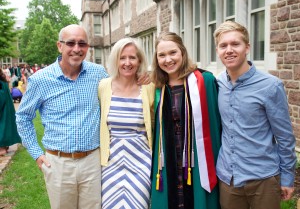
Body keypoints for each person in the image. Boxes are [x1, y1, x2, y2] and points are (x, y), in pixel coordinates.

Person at [16, 24, 108, 209]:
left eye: (82, 44)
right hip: (58, 163)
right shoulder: (41, 79)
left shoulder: (98, 73)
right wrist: (36, 154)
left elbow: (119, 91)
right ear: (60, 46)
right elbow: (23, 117)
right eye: (70, 43)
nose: (76, 49)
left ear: (87, 48)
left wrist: (141, 79)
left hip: (92, 161)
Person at [214, 21, 296, 209]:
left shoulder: (270, 86)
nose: (229, 50)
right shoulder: (217, 84)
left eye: (235, 44)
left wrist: (287, 177)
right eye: (223, 45)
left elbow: (284, 136)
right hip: (229, 179)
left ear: (247, 47)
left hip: (263, 179)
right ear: (217, 50)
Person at [150, 31, 222, 209]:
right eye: (162, 55)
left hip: (196, 163)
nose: (168, 59)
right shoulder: (156, 88)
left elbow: (217, 124)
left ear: (182, 52)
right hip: (167, 161)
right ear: (156, 59)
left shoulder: (204, 81)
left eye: (173, 52)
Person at [98, 38, 154, 208]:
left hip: (141, 161)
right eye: (122, 58)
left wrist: (152, 75)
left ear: (140, 61)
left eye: (132, 58)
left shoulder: (150, 86)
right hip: (111, 162)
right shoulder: (103, 86)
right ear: (116, 60)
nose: (127, 63)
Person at [0, 68, 21, 156]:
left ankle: (2, 148)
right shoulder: (3, 80)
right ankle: (4, 146)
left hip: (3, 108)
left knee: (3, 127)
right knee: (5, 127)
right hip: (5, 108)